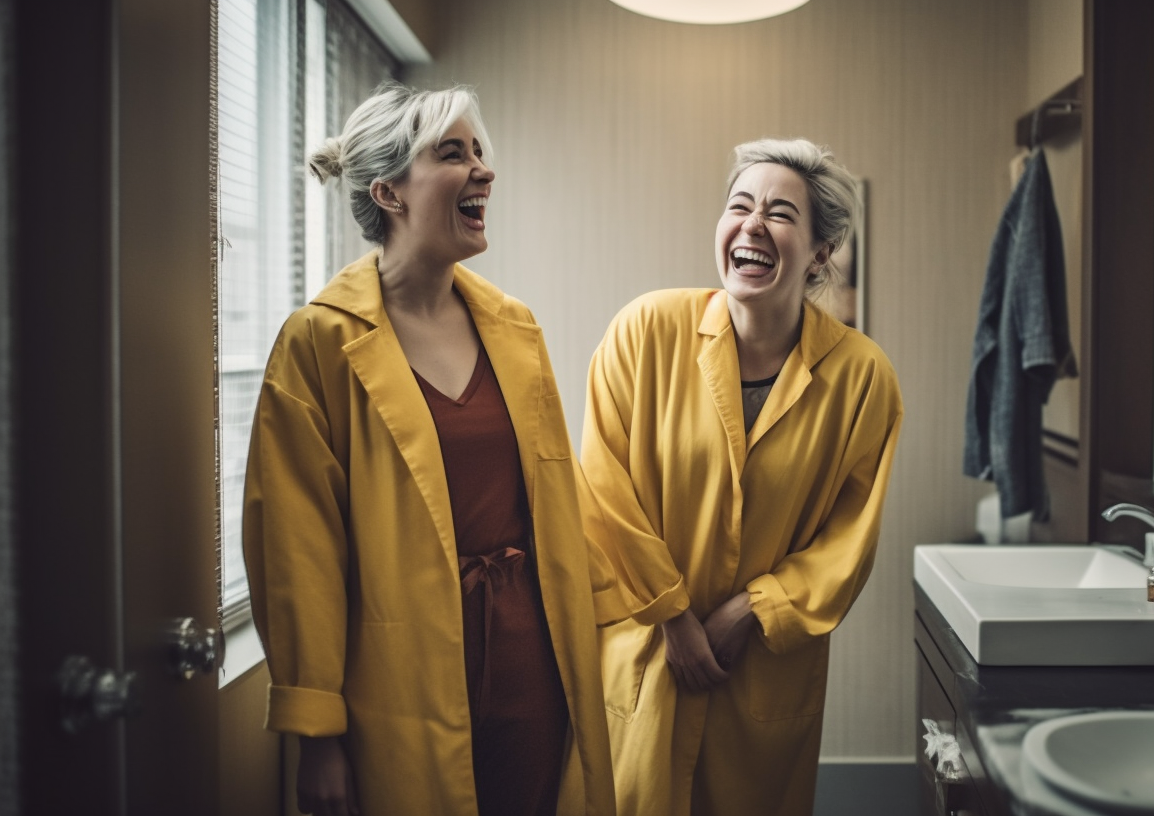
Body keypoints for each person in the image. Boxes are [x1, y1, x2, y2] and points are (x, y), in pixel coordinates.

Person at [242, 82, 626, 816]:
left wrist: (632, 619)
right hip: (399, 672)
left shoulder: (516, 329)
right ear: (389, 192)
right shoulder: (318, 343)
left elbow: (559, 500)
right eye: (454, 153)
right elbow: (297, 550)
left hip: (534, 662)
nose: (484, 169)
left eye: (481, 152)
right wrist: (317, 733)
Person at [579, 138, 905, 816]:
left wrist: (756, 609)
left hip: (760, 673)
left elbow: (850, 537)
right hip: (647, 657)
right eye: (739, 206)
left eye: (780, 213)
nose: (753, 224)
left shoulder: (862, 377)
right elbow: (601, 494)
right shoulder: (643, 332)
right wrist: (673, 618)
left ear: (820, 252)